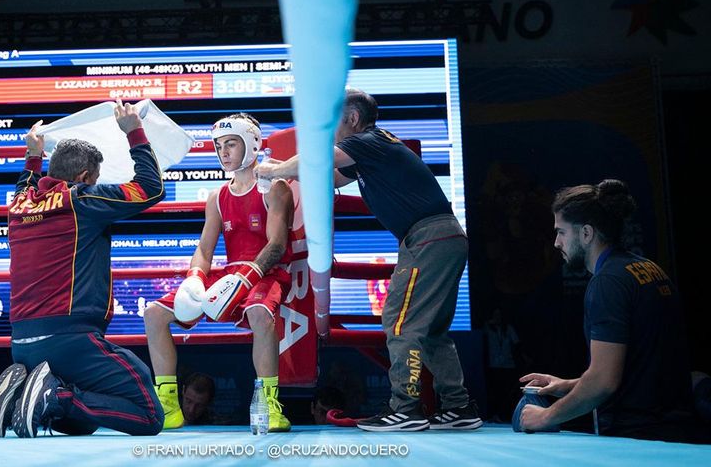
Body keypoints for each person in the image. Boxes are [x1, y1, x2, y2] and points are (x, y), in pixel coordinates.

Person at [256, 88, 481, 432]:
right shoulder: (371, 150)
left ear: (351, 119)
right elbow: (327, 177)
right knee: (432, 330)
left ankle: (405, 409)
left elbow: (317, 160)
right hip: (441, 237)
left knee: (401, 322)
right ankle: (458, 406)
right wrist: (286, 177)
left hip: (429, 238)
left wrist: (272, 169)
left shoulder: (368, 140)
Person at [0, 99, 165, 438]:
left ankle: (25, 395)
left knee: (85, 424)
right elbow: (151, 189)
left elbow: (25, 184)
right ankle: (56, 395)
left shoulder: (18, 206)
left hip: (21, 345)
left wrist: (33, 155)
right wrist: (134, 131)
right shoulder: (82, 200)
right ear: (83, 177)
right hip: (70, 341)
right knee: (150, 414)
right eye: (95, 177)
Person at [518, 179, 705, 443]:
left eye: (561, 232)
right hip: (677, 432)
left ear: (586, 233)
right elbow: (640, 370)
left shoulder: (607, 282)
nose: (556, 243)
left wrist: (545, 416)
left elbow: (604, 382)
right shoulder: (649, 269)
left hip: (638, 438)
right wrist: (567, 386)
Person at [143, 112, 295, 432]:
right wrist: (195, 277)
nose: (223, 152)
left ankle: (269, 405)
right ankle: (169, 405)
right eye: (219, 145)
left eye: (231, 144)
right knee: (155, 313)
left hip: (265, 275)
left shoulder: (274, 188)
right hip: (228, 275)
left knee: (258, 311)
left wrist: (247, 277)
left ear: (252, 145)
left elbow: (277, 245)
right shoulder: (218, 196)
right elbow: (204, 249)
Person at [483, 307, 523, 422]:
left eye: (499, 315)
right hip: (493, 364)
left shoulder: (508, 328)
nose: (497, 317)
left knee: (506, 392)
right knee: (493, 392)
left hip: (508, 364)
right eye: (495, 315)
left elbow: (516, 344)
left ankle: (504, 415)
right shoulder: (488, 327)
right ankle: (493, 414)